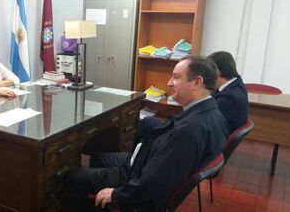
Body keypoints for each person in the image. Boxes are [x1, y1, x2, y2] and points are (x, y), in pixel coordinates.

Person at [66, 56, 228, 212]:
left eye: (176, 77)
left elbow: (155, 181)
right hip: (141, 163)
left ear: (196, 82)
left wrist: (117, 194)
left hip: (136, 179)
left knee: (71, 177)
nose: (169, 83)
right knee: (98, 157)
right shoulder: (212, 112)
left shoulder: (189, 130)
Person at [208, 51, 248, 134]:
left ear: (217, 72)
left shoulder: (228, 98)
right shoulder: (237, 83)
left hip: (217, 139)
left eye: (208, 71)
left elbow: (205, 119)